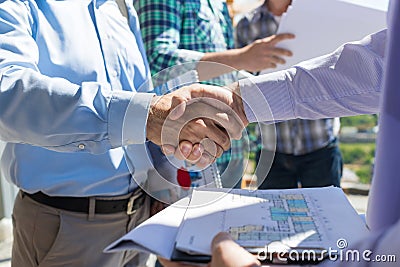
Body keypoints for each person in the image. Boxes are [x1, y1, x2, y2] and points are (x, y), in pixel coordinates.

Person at [0, 1, 244, 266]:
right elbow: (7, 94)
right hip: (66, 230)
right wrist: (148, 116)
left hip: (140, 224)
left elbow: (141, 107)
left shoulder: (121, 7)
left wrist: (164, 197)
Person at [161, 0, 400, 265]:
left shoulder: (321, 13)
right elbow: (377, 65)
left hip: (319, 148)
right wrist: (241, 103)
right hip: (271, 150)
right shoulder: (244, 24)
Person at [133, 0, 294, 188]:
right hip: (187, 154)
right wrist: (242, 58)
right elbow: (158, 61)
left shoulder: (219, 4)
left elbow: (225, 71)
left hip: (229, 149)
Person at [236, 0, 343, 189]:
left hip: (320, 143)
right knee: (273, 216)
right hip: (271, 148)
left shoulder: (318, 17)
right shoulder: (246, 24)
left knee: (325, 215)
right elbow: (242, 77)